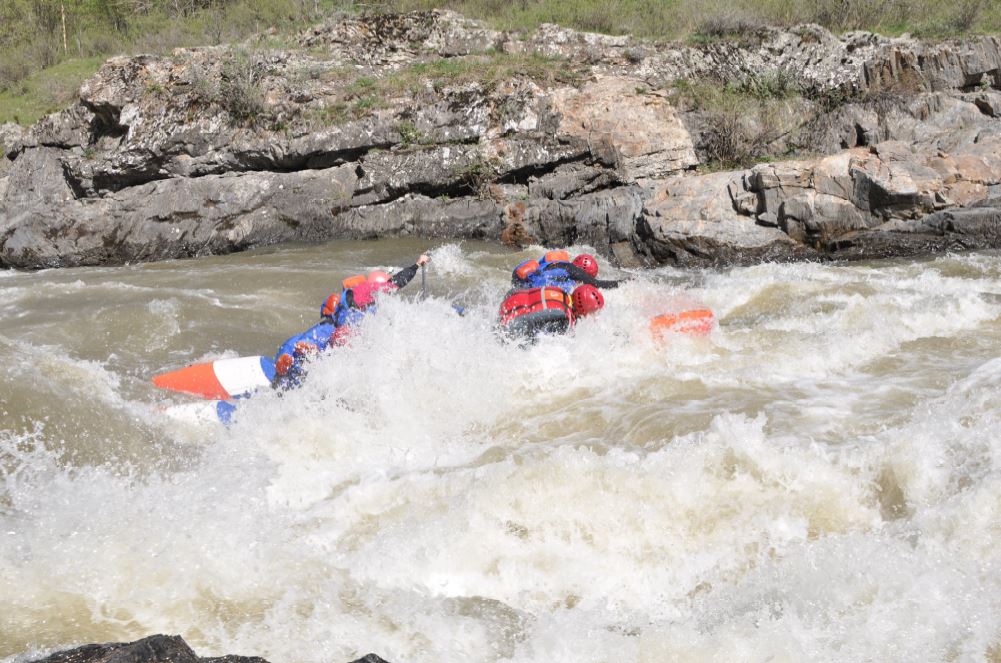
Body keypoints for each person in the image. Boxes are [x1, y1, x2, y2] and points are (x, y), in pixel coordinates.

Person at [272, 253, 430, 389]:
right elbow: (398, 281)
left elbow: (331, 313)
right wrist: (416, 265)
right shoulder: (375, 290)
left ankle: (290, 359)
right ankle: (308, 358)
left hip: (333, 323)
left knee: (307, 340)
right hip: (351, 323)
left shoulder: (351, 292)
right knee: (341, 342)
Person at [498, 283, 605, 341]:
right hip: (507, 330)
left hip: (506, 306)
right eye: (593, 312)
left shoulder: (559, 291)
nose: (594, 316)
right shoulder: (564, 318)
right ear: (583, 309)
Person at [511, 250, 625, 291]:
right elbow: (597, 284)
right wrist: (625, 282)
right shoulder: (572, 269)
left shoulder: (547, 265)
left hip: (526, 290)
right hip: (545, 296)